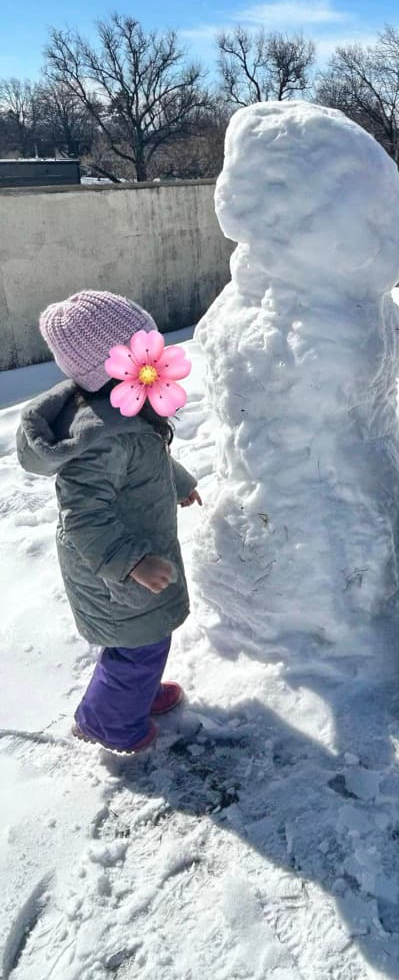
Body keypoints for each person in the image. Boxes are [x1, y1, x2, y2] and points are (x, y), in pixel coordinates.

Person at [16, 290, 200, 754]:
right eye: (144, 350)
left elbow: (149, 457)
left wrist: (178, 484)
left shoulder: (122, 414)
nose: (156, 359)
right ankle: (108, 722)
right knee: (135, 646)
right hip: (114, 568)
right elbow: (84, 517)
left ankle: (132, 696)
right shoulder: (100, 439)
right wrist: (132, 562)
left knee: (142, 641)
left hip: (132, 554)